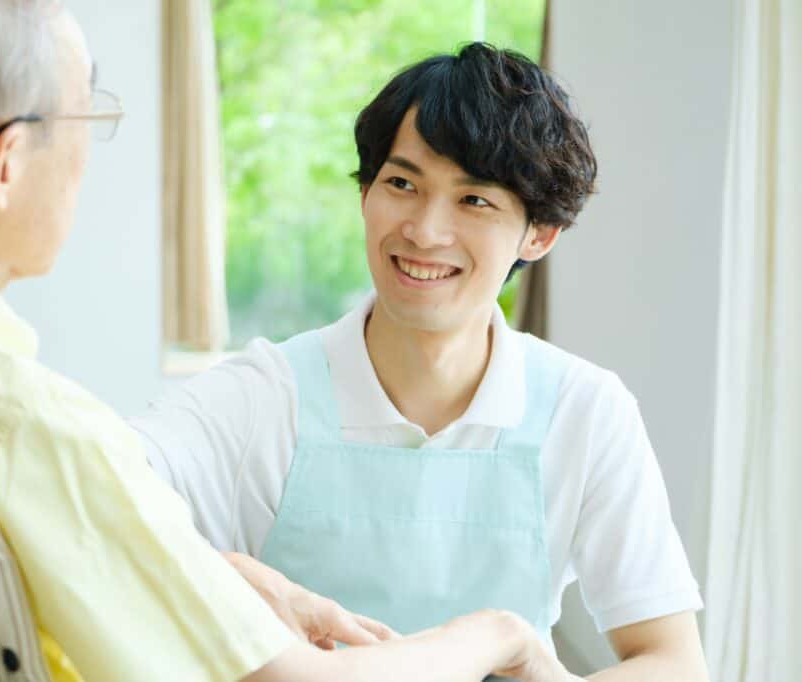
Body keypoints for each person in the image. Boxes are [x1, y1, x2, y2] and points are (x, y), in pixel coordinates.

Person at [0, 1, 578, 680]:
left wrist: (216, 573)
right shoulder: (23, 425)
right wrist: (500, 631)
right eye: (85, 116)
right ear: (10, 160)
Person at [131, 43, 710, 680]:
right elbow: (89, 493)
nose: (425, 231)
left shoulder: (585, 410)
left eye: (474, 200)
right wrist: (233, 572)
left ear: (539, 234)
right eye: (402, 184)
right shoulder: (264, 397)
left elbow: (672, 660)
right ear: (365, 194)